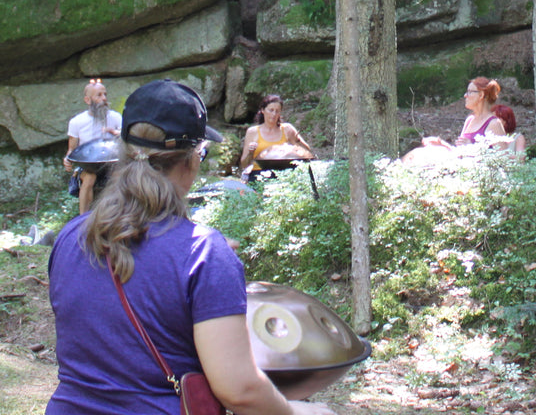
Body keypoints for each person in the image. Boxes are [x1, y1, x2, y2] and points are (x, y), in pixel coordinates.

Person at [47, 79, 335, 415]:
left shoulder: (70, 236)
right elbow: (239, 391)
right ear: (191, 160)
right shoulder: (203, 255)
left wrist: (203, 272)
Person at [400, 78, 515, 166]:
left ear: (481, 95)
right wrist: (442, 144)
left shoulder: (494, 124)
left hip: (479, 176)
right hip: (460, 166)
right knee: (419, 153)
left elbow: (503, 161)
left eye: (470, 92)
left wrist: (472, 148)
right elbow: (460, 152)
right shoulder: (470, 120)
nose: (465, 95)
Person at [64, 79, 123, 215]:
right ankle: (83, 218)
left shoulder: (115, 117)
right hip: (88, 166)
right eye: (99, 95)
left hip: (112, 163)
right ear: (88, 100)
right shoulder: (77, 122)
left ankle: (119, 214)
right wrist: (67, 160)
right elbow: (71, 150)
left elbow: (125, 139)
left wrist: (116, 133)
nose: (104, 98)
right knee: (89, 178)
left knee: (118, 175)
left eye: (105, 94)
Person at [238, 94, 315, 176]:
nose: (274, 114)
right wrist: (251, 153)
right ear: (263, 110)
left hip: (284, 174)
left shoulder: (287, 129)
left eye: (277, 111)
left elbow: (307, 152)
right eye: (271, 110)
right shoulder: (252, 132)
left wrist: (297, 141)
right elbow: (244, 164)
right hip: (259, 173)